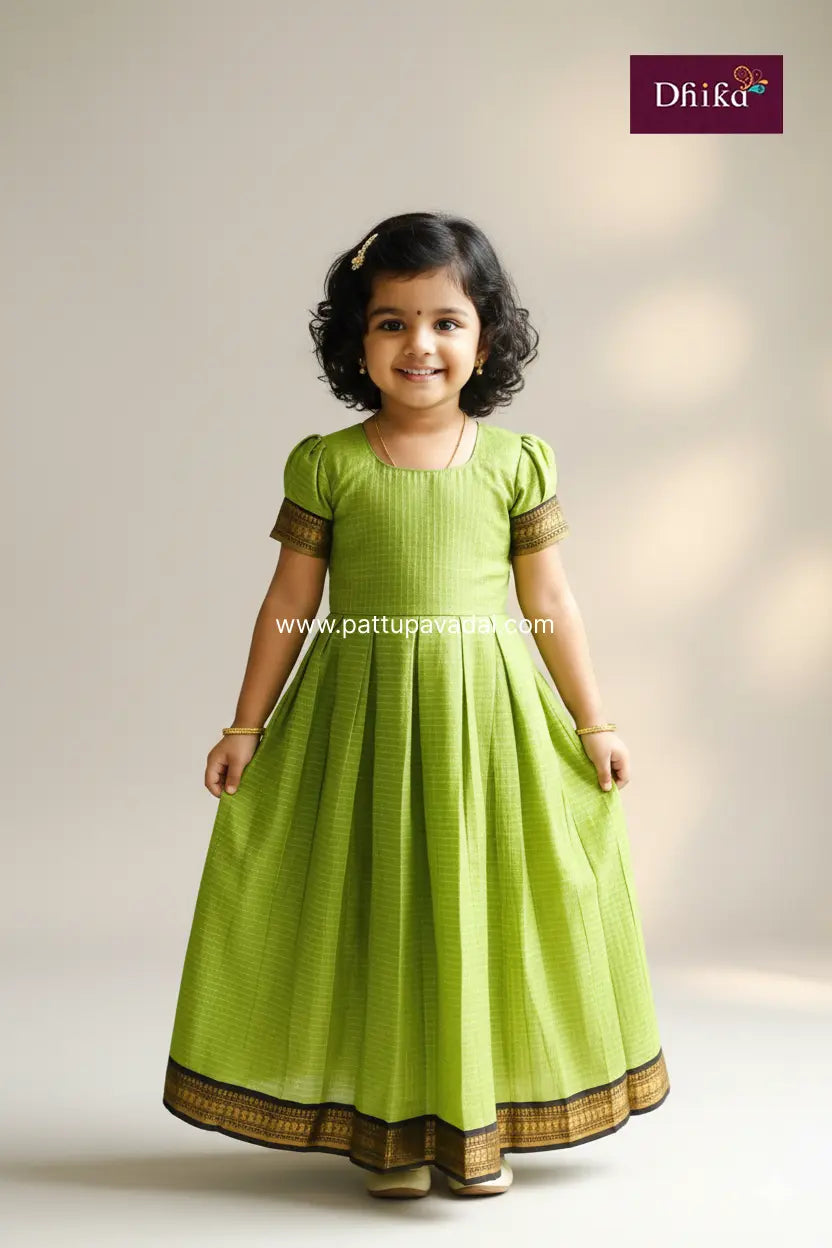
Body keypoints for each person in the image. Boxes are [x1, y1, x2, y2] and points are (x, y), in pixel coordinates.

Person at [162, 211, 670, 1200]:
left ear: (486, 338)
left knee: (480, 910)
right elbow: (288, 603)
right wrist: (244, 726)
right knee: (383, 911)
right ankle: (392, 1134)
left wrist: (594, 722)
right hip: (361, 723)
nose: (419, 345)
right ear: (355, 340)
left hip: (488, 724)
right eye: (391, 322)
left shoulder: (518, 463)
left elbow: (550, 600)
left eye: (446, 321)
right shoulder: (328, 464)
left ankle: (474, 1124)